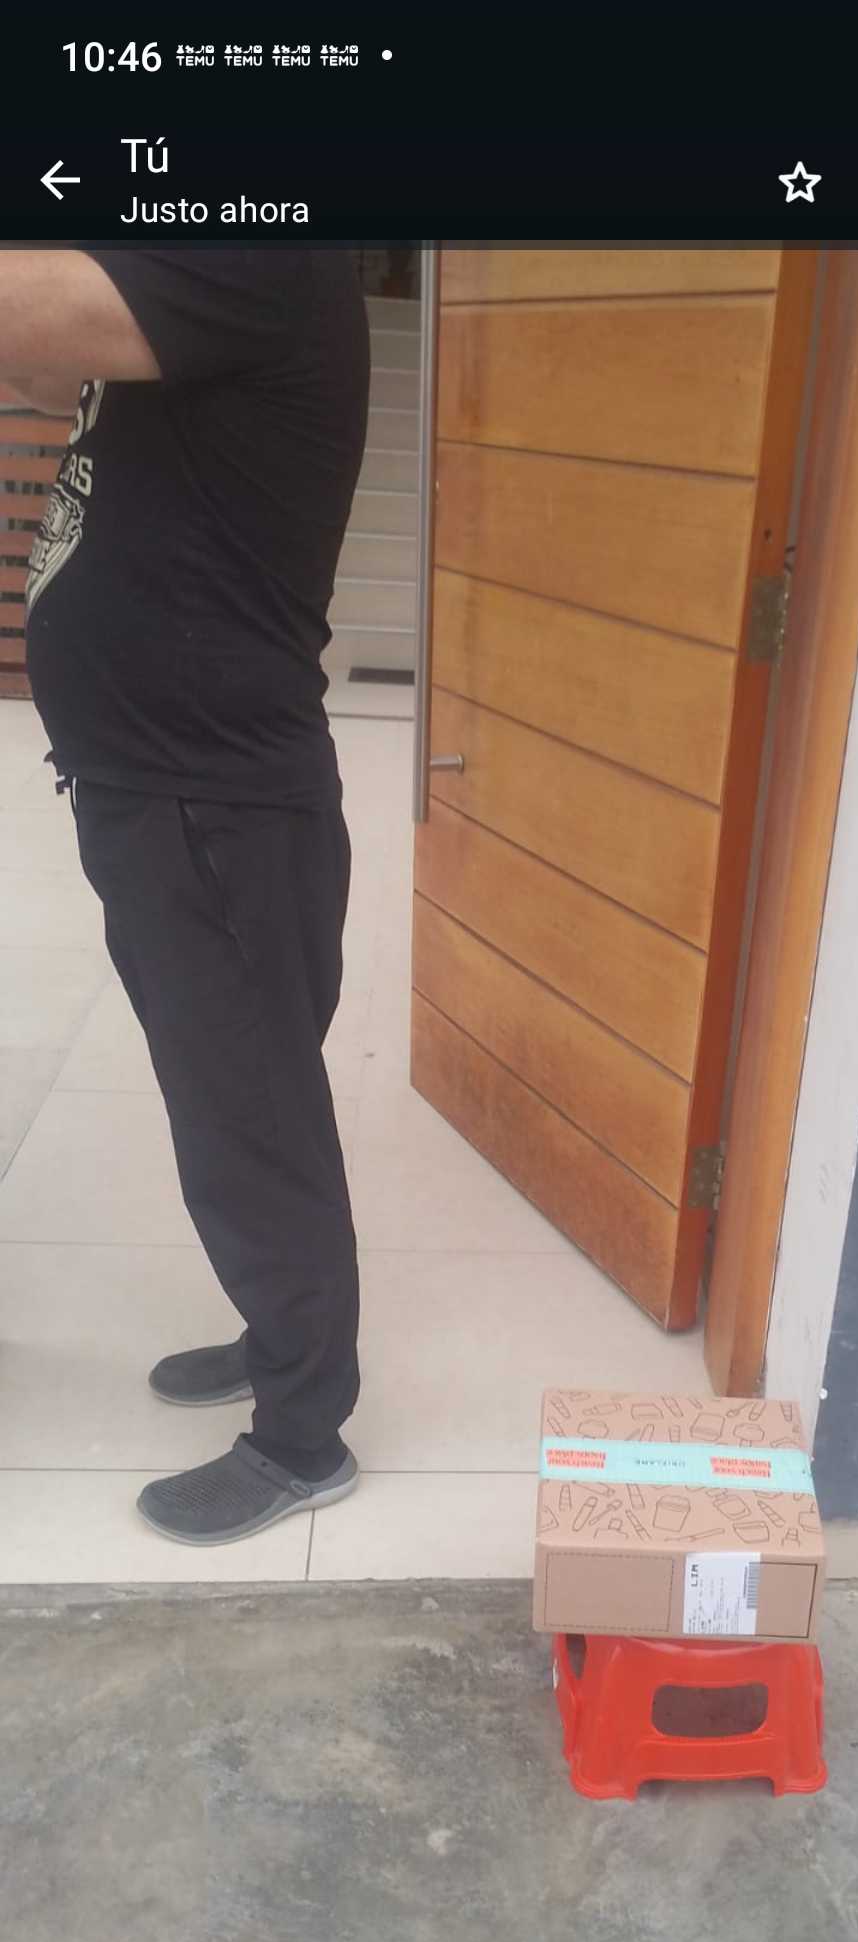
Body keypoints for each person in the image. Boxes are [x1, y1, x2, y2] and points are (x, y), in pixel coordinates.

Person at [2, 247, 369, 1543]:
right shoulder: (196, 275)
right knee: (236, 1101)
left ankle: (303, 1434)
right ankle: (280, 1334)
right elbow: (43, 367)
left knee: (250, 1122)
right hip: (175, 791)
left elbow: (24, 308)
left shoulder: (261, 246)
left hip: (212, 804)